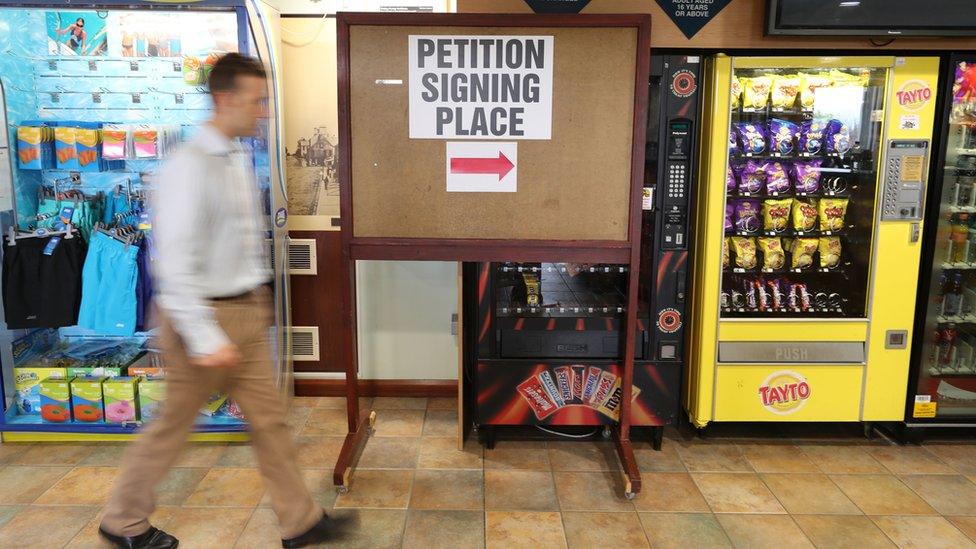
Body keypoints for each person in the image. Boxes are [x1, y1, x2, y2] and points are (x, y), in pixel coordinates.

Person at [98, 53, 349, 549]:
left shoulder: (235, 156)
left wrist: (257, 300)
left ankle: (300, 522)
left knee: (270, 421)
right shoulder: (187, 167)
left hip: (244, 311)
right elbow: (172, 263)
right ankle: (121, 521)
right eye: (256, 102)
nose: (263, 112)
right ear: (224, 98)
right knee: (173, 426)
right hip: (202, 317)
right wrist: (207, 335)